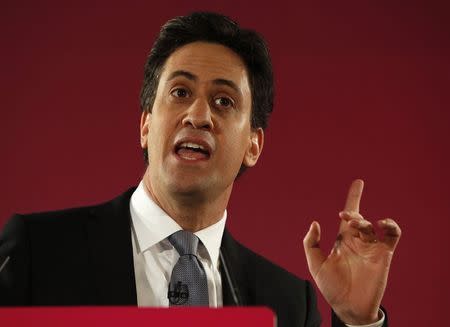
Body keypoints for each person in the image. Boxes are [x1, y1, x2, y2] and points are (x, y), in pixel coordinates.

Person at [0, 12, 401, 327]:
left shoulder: (287, 304)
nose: (198, 115)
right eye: (180, 92)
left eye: (224, 101)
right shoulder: (38, 252)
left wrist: (356, 322)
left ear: (253, 145)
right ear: (145, 125)